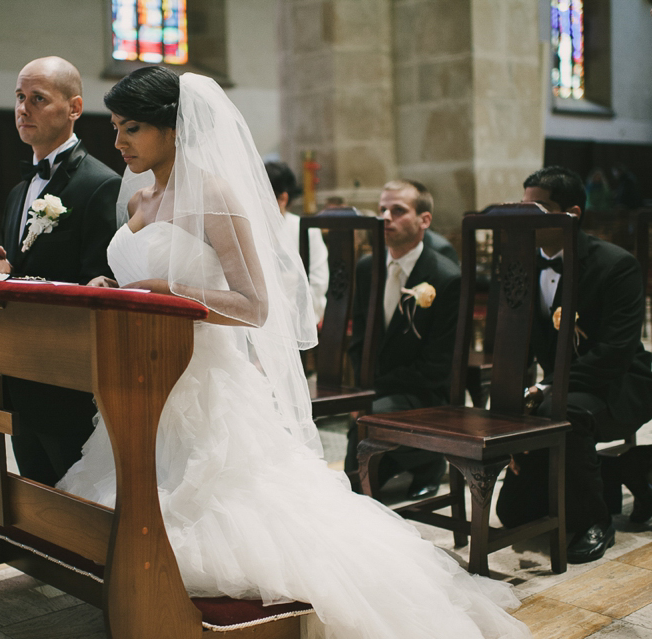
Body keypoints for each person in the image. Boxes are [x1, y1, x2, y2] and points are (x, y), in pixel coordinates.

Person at [58, 66, 529, 639]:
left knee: (229, 521)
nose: (119, 141)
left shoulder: (213, 194)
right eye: (116, 127)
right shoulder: (139, 198)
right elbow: (133, 275)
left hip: (203, 383)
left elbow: (253, 304)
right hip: (140, 378)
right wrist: (112, 289)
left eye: (131, 128)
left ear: (173, 127)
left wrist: (162, 290)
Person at [0, 56, 121, 485]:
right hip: (18, 367)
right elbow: (18, 267)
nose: (23, 109)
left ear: (74, 108)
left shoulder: (100, 184)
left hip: (66, 377)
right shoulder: (19, 191)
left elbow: (101, 284)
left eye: (38, 99)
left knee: (77, 493)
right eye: (19, 98)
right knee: (36, 492)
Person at [496, 166, 652, 563]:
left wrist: (547, 388)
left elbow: (617, 351)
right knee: (511, 514)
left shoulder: (616, 265)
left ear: (573, 213)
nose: (528, 215)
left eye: (540, 207)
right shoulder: (522, 264)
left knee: (557, 408)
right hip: (561, 386)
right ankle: (550, 500)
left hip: (620, 383)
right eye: (524, 205)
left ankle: (594, 521)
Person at [344, 179, 461, 499]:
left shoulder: (445, 278)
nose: (385, 217)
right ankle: (394, 464)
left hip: (423, 394)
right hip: (378, 389)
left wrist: (372, 391)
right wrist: (359, 391)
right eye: (382, 209)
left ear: (425, 220)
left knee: (362, 438)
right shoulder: (367, 268)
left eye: (398, 210)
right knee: (358, 462)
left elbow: (436, 366)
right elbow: (359, 340)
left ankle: (429, 461)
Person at [265, 160, 329, 322]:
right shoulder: (249, 228)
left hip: (298, 314)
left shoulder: (306, 230)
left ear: (282, 199)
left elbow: (319, 281)